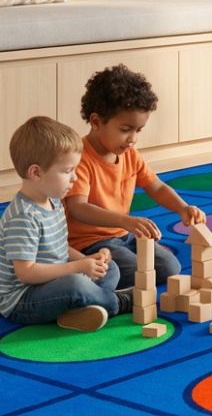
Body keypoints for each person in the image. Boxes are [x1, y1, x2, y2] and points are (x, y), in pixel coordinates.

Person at [65, 64, 206, 288]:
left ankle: (111, 278)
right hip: (89, 244)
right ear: (95, 121)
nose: (132, 139)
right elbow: (77, 207)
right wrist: (125, 221)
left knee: (170, 267)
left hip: (125, 235)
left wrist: (182, 207)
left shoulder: (129, 153)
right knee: (134, 271)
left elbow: (156, 187)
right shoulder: (78, 159)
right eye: (125, 129)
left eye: (138, 130)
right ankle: (79, 276)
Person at [0, 117, 133, 332]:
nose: (74, 178)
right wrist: (77, 268)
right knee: (74, 284)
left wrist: (86, 260)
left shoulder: (53, 201)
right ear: (36, 173)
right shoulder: (23, 217)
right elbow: (26, 273)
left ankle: (77, 310)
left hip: (54, 282)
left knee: (110, 269)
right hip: (23, 299)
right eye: (66, 171)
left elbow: (59, 247)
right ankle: (116, 303)